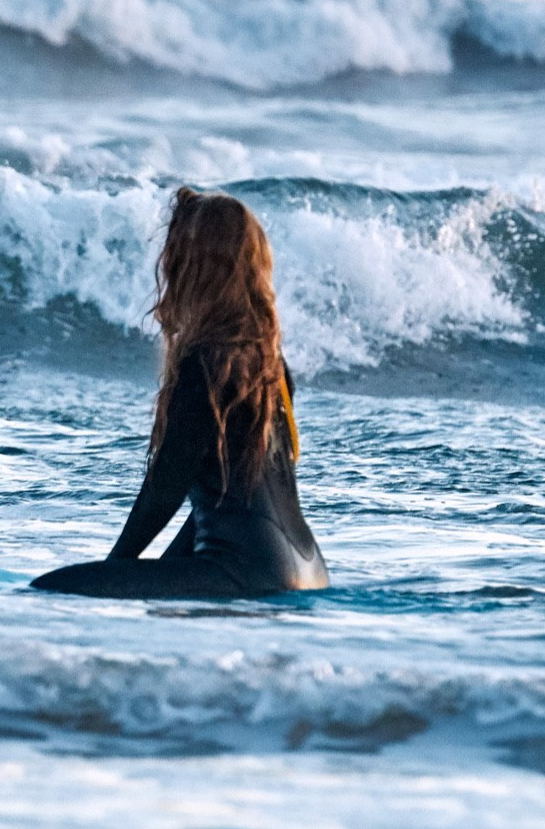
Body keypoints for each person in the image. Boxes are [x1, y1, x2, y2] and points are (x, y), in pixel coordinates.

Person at [33, 188, 328, 599]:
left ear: (194, 267)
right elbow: (224, 501)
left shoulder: (206, 364)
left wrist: (115, 567)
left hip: (247, 573)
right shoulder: (271, 367)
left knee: (53, 589)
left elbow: (166, 485)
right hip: (308, 571)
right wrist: (155, 575)